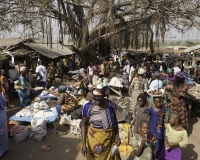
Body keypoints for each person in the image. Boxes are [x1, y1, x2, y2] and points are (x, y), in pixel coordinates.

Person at [81, 84, 121, 160]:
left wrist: (117, 135)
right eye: (95, 96)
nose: (97, 99)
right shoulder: (88, 107)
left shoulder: (111, 104)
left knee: (113, 156)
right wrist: (83, 144)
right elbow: (84, 124)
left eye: (99, 96)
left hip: (109, 138)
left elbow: (115, 121)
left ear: (104, 95)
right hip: (94, 139)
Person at [0, 82, 9, 158]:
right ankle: (2, 151)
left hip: (2, 117)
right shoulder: (0, 95)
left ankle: (3, 150)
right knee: (2, 135)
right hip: (1, 118)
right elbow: (3, 105)